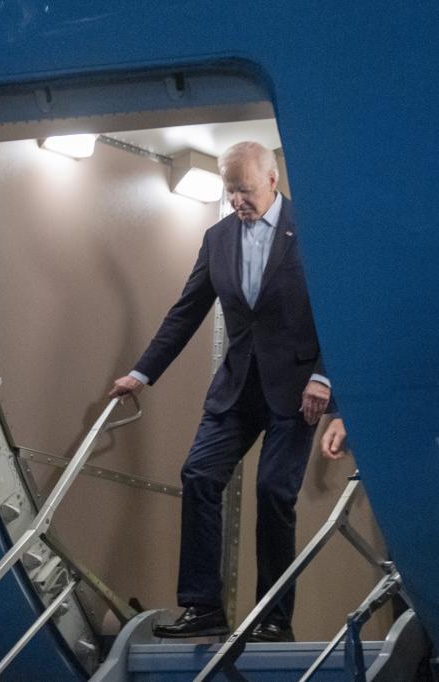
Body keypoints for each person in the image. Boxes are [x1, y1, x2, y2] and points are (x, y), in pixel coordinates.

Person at [109, 141, 332, 642]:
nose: (236, 199)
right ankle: (203, 606)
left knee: (273, 491)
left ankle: (273, 617)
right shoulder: (217, 238)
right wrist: (141, 373)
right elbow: (186, 312)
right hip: (236, 386)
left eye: (244, 189)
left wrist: (324, 376)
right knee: (199, 475)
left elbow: (345, 313)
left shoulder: (315, 229)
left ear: (273, 180)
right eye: (229, 190)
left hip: (297, 389)